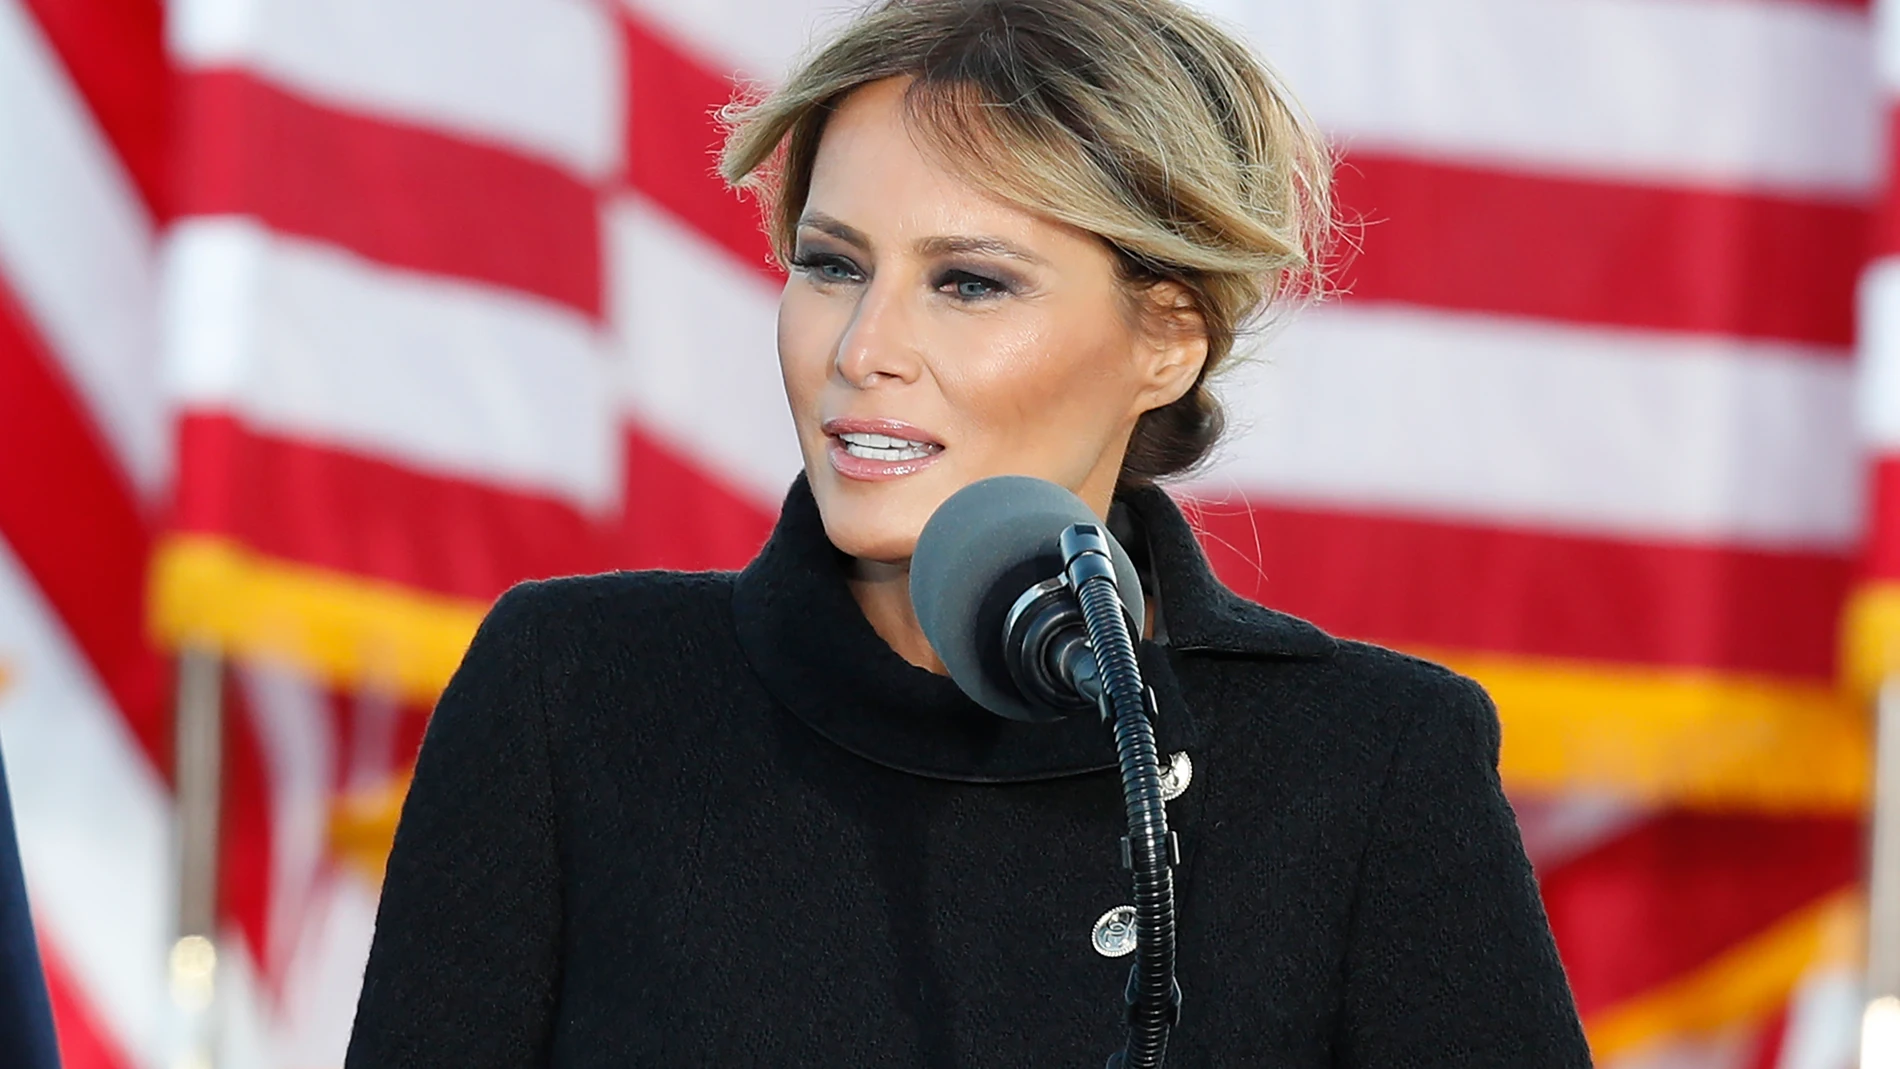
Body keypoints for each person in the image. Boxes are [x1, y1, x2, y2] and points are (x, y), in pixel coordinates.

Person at [345, 0, 1592, 1064]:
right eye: (832, 264)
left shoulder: (1369, 766)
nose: (862, 349)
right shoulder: (572, 692)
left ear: (1164, 337)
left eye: (968, 282)